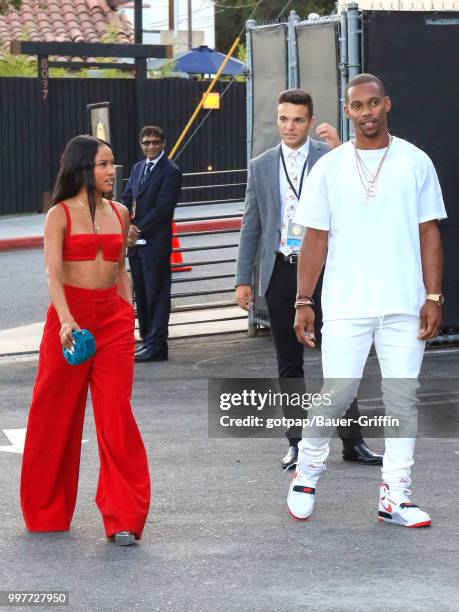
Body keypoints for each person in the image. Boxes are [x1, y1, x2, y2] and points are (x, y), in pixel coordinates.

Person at [288, 73, 446, 527]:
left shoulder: (415, 161)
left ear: (387, 105)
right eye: (358, 106)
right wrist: (304, 300)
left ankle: (395, 495)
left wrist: (433, 295)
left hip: (404, 302)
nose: (367, 112)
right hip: (346, 304)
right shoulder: (330, 167)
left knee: (402, 399)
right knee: (336, 394)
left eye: (374, 103)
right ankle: (308, 470)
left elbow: (428, 232)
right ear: (348, 111)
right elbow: (314, 238)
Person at [235, 89, 382, 470]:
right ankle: (297, 444)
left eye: (298, 119)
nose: (289, 126)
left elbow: (358, 200)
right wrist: (242, 279)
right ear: (277, 119)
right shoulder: (261, 165)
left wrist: (340, 154)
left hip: (325, 270)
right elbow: (251, 225)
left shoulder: (331, 157)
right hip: (281, 270)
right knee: (289, 363)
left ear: (310, 122)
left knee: (340, 359)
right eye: (284, 119)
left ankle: (353, 442)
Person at [20, 135, 151, 546]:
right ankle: (46, 512)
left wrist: (128, 314)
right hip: (68, 320)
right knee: (54, 413)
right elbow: (52, 274)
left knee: (116, 416)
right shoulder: (58, 215)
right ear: (82, 168)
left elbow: (122, 268)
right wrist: (65, 320)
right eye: (103, 165)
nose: (112, 171)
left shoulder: (121, 212)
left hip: (112, 321)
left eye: (113, 163)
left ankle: (124, 518)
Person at [122, 126, 182, 363]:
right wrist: (126, 225)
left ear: (163, 143)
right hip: (135, 243)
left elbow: (164, 209)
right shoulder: (137, 168)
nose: (150, 146)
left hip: (155, 241)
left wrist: (139, 229)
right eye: (146, 142)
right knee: (142, 293)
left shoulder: (171, 171)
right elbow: (127, 197)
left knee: (157, 293)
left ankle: (157, 345)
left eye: (155, 142)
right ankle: (147, 340)